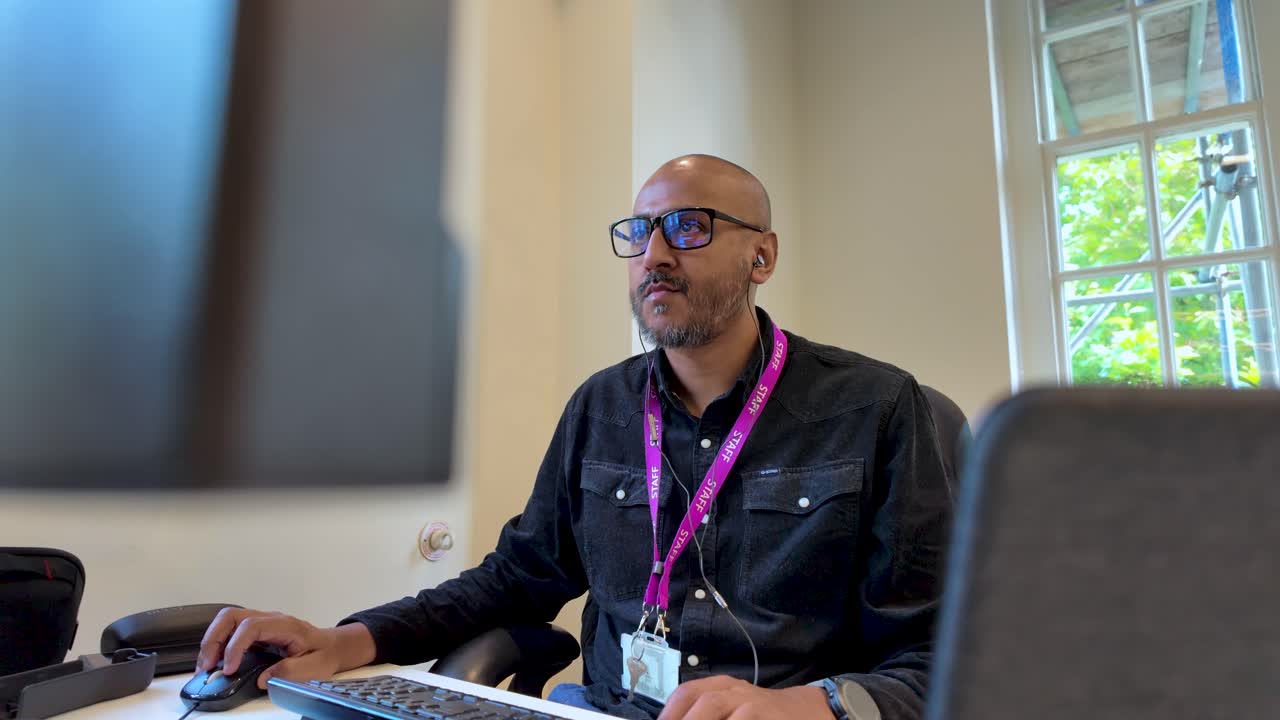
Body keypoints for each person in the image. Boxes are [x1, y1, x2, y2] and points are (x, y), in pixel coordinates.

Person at [197, 155, 953, 720]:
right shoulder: (602, 406)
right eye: (640, 232)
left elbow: (934, 652)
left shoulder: (876, 406)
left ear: (763, 255)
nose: (654, 254)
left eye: (689, 226)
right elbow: (514, 578)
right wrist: (348, 639)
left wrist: (812, 707)